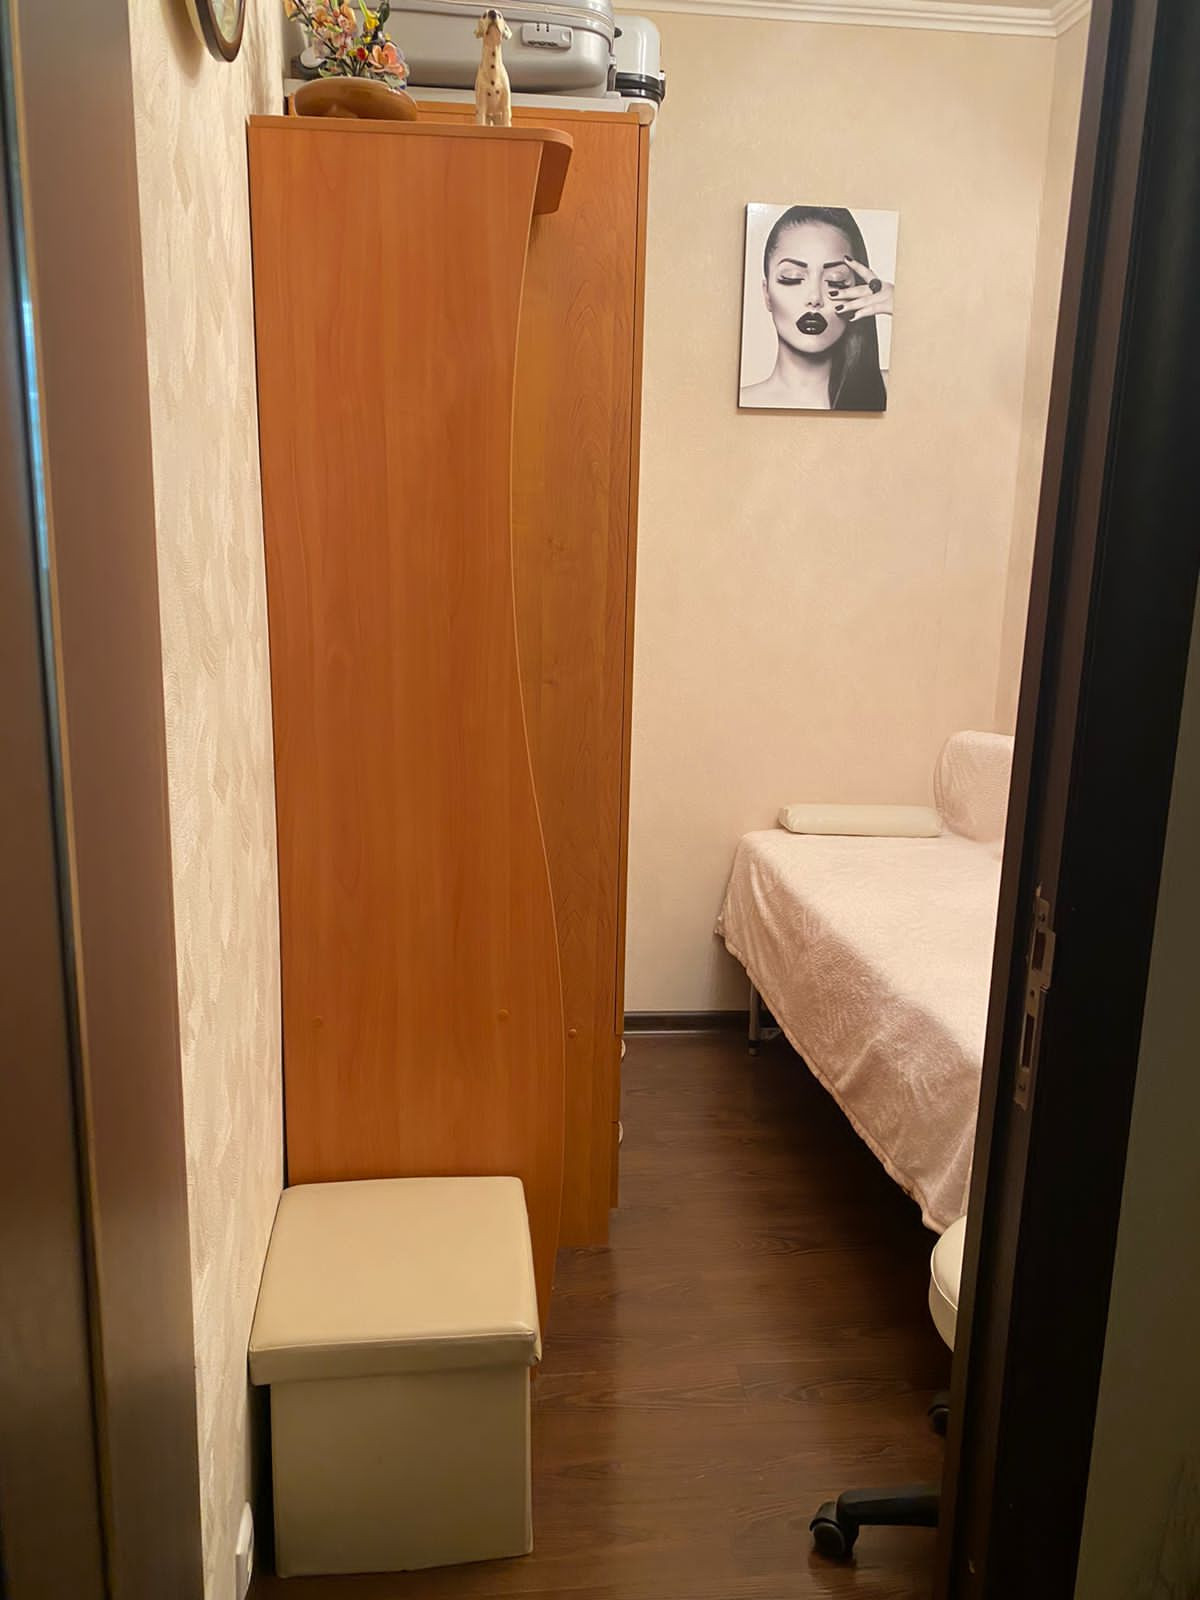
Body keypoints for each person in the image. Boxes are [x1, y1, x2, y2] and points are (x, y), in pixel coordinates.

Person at [739, 206, 893, 412]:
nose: (814, 298)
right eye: (792, 278)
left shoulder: (892, 391)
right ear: (767, 294)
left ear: (858, 291)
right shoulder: (738, 402)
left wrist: (902, 306)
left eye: (835, 281)